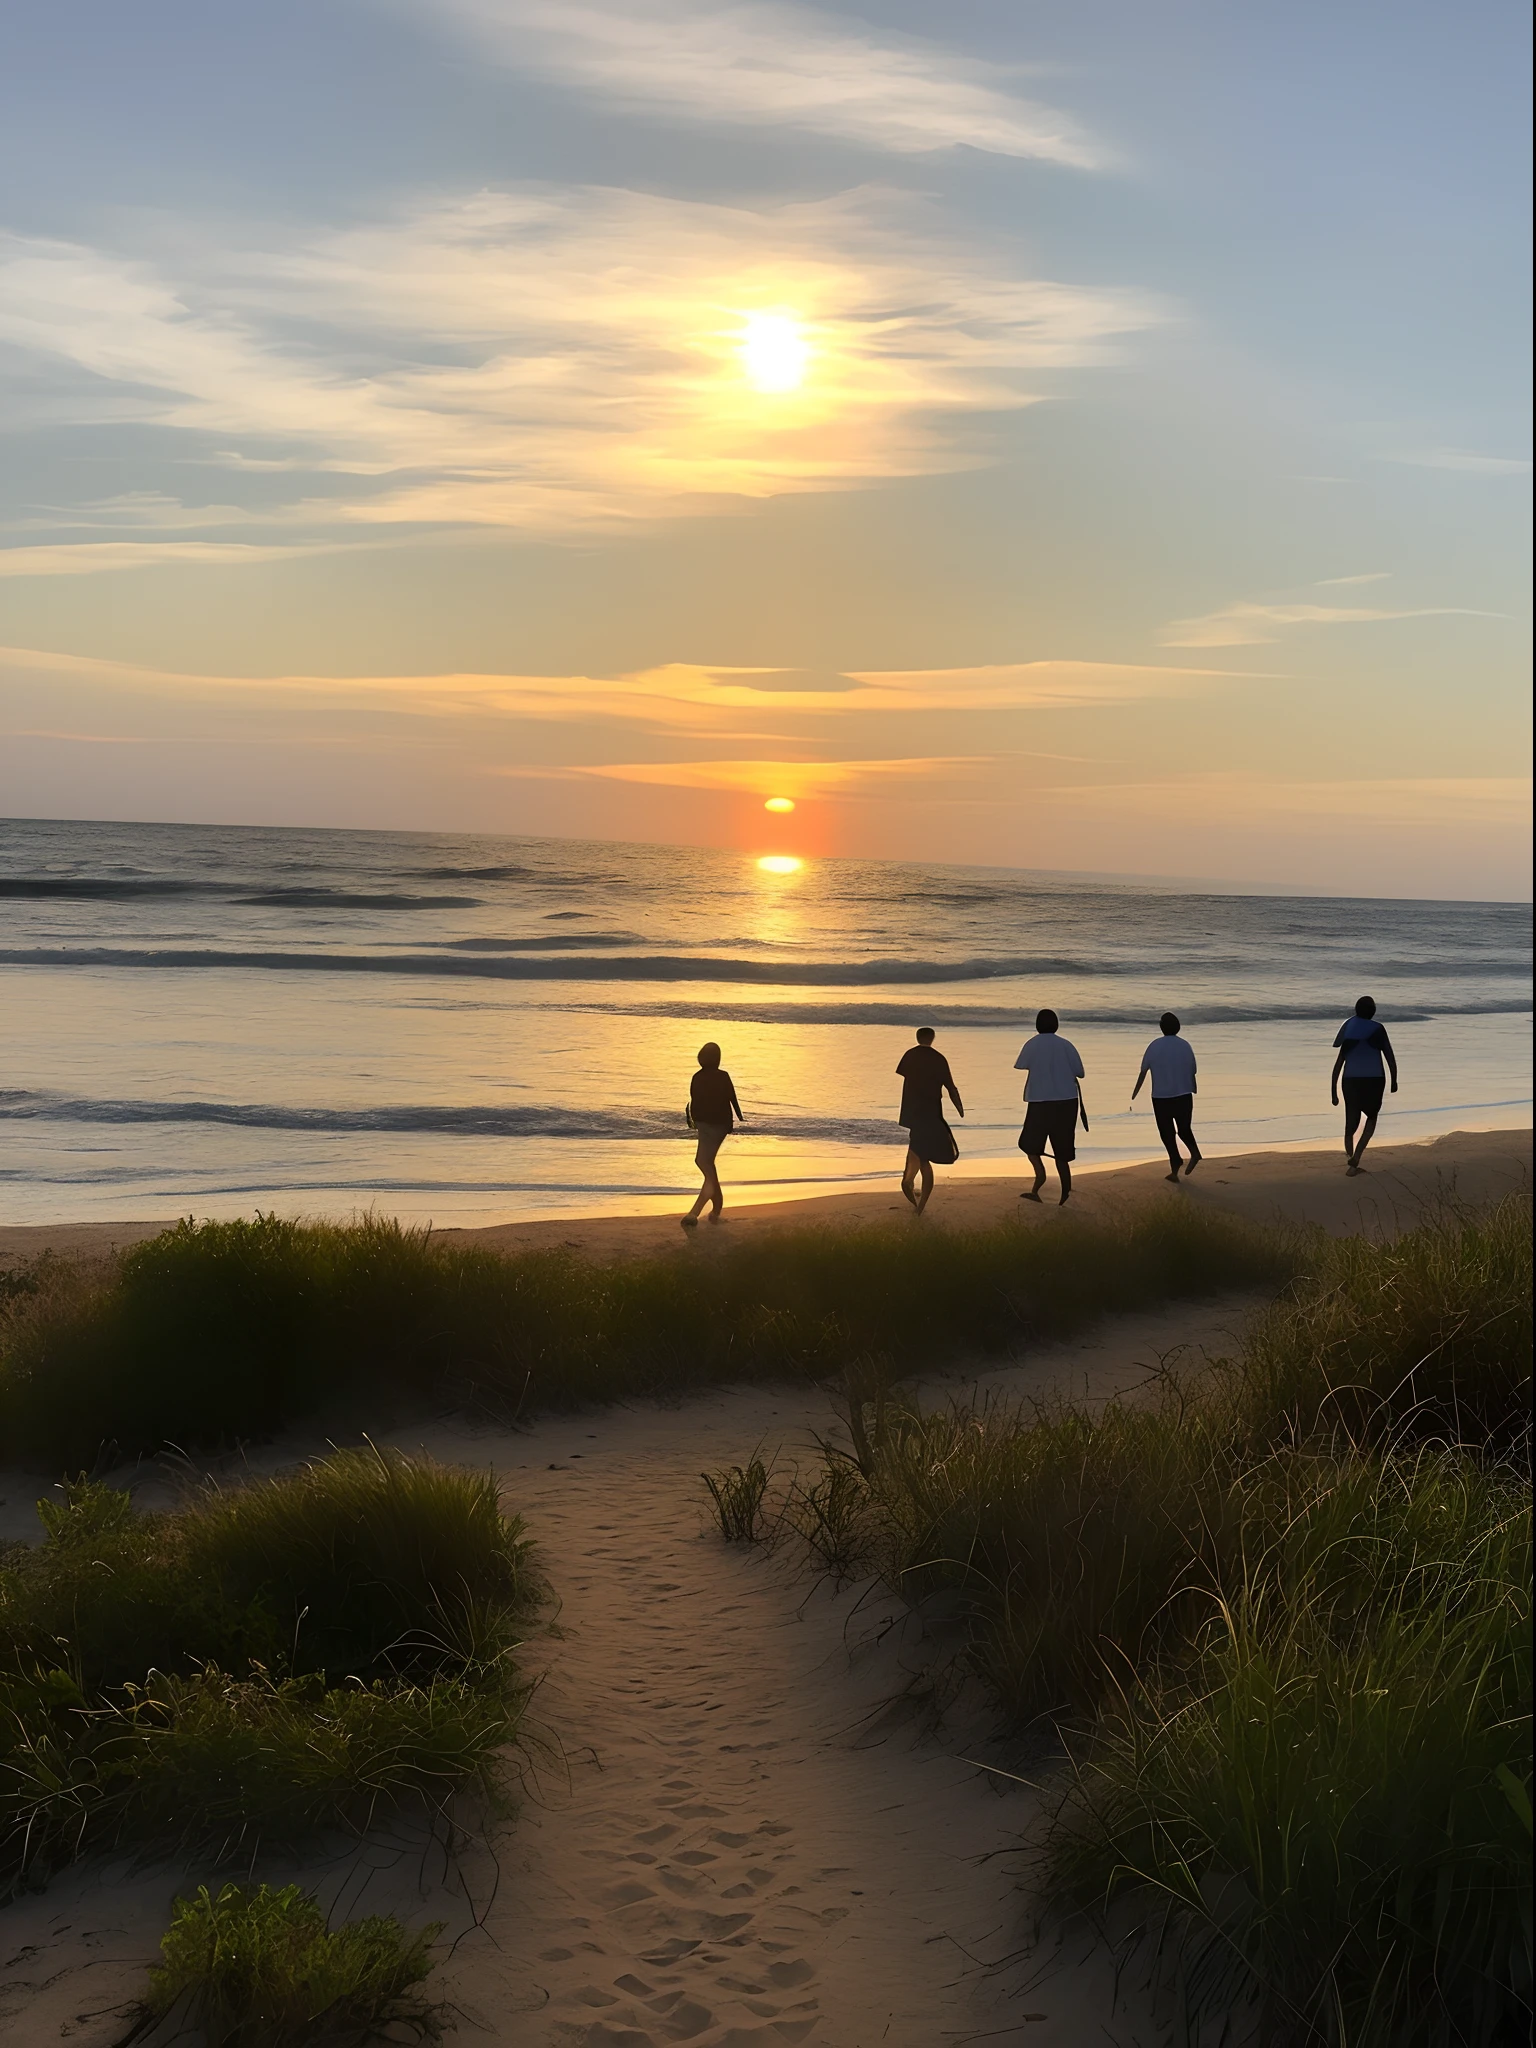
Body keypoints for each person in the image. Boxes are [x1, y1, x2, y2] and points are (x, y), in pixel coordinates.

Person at [1014, 1009, 1086, 1205]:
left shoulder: (1031, 1044)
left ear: (1037, 1025)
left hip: (1039, 1101)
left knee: (1029, 1144)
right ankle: (1066, 1194)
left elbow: (1021, 1065)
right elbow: (1080, 1073)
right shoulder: (1066, 1045)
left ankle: (1040, 1178)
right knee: (1062, 1150)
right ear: (1056, 1025)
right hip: (1067, 1101)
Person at [895, 1026, 963, 1214]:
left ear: (918, 1038)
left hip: (914, 1113)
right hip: (932, 1113)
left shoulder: (909, 1055)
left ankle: (914, 1195)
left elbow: (904, 1074)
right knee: (924, 1159)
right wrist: (959, 1107)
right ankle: (921, 1203)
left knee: (918, 1155)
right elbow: (951, 1087)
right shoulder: (939, 1058)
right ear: (932, 1038)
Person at [1331, 996, 1398, 1176]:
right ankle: (1356, 1159)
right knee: (1372, 1117)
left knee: (1349, 1123)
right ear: (1373, 1012)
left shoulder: (1348, 1027)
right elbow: (1389, 1056)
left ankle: (1350, 1158)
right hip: (1374, 1079)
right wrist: (1394, 1080)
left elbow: (1339, 1063)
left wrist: (1333, 1091)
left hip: (1350, 1080)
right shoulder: (1378, 1029)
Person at [1131, 1012, 1202, 1183]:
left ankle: (1175, 1164)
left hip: (1161, 1097)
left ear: (1161, 1028)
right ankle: (1193, 1153)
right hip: (1184, 1094)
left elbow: (1143, 1072)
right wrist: (1193, 1087)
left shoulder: (1154, 1046)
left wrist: (1135, 1092)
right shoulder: (1185, 1045)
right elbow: (1193, 1071)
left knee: (1167, 1133)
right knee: (1184, 1129)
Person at [682, 1042, 744, 1227]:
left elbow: (694, 1101)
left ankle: (694, 1213)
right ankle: (717, 1207)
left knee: (704, 1162)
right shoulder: (722, 1076)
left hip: (708, 1124)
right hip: (718, 1124)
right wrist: (739, 1120)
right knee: (706, 1163)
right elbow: (732, 1099)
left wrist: (692, 1120)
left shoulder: (697, 1077)